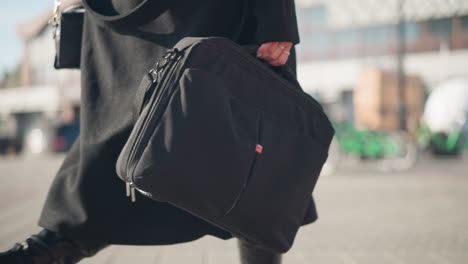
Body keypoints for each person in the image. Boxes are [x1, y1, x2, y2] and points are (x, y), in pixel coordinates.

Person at [0, 0, 318, 263]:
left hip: (170, 14)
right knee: (252, 157)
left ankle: (50, 248)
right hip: (168, 15)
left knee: (250, 149)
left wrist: (276, 20)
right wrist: (277, 20)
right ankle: (53, 246)